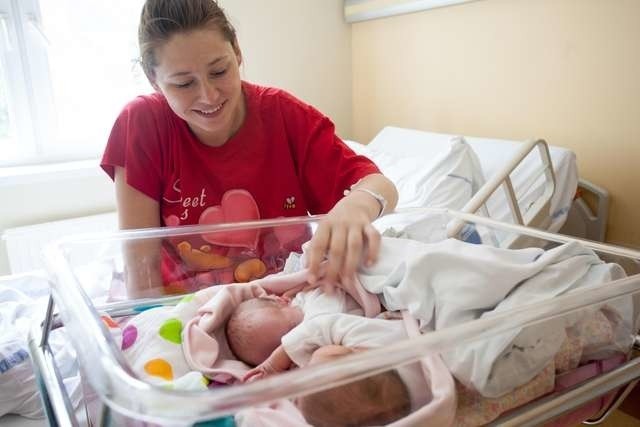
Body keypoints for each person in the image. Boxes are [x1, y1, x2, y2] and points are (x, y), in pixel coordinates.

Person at [101, 0, 398, 297]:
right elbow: (141, 275)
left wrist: (356, 206)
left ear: (237, 52)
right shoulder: (142, 124)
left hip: (280, 303)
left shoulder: (284, 116)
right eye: (183, 84)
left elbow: (380, 186)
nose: (208, 95)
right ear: (153, 80)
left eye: (219, 71)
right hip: (181, 307)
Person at [225, 286, 363, 366]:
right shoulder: (305, 360)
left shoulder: (314, 298)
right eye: (287, 358)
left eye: (295, 328)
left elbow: (322, 322)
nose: (297, 345)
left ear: (283, 300)